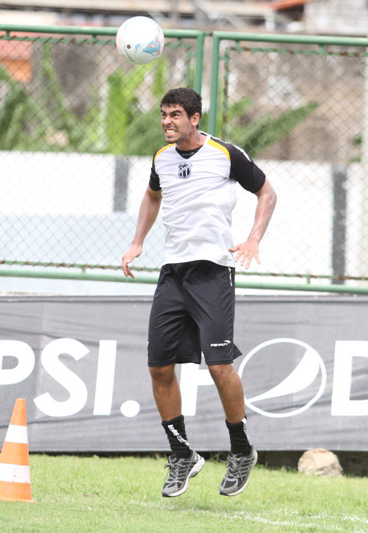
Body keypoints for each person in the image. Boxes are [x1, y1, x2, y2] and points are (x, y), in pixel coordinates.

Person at [121, 87, 277, 498]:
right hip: (173, 273)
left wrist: (253, 239)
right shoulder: (161, 159)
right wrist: (137, 242)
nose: (166, 122)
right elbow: (152, 196)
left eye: (175, 114)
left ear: (194, 118)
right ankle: (182, 454)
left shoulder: (225, 154)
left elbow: (267, 192)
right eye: (163, 114)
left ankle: (241, 449)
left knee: (220, 366)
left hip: (213, 273)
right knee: (159, 368)